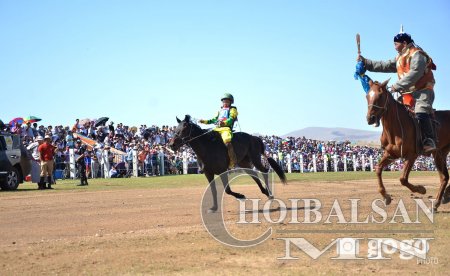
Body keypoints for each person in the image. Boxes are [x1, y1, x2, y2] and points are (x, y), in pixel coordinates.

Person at [357, 27, 437, 153]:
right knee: (391, 110)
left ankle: (429, 140)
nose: (394, 46)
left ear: (404, 43)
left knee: (421, 111)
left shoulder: (418, 55)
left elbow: (415, 73)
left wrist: (396, 86)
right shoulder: (400, 57)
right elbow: (384, 65)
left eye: (396, 44)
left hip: (423, 91)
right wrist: (365, 62)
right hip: (407, 93)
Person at [199, 93, 239, 169]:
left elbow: (231, 119)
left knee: (227, 141)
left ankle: (234, 162)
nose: (225, 103)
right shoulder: (220, 110)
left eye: (227, 101)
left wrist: (224, 122)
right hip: (217, 128)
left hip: (226, 129)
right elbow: (214, 119)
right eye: (224, 101)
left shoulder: (233, 110)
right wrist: (204, 121)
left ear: (230, 102)